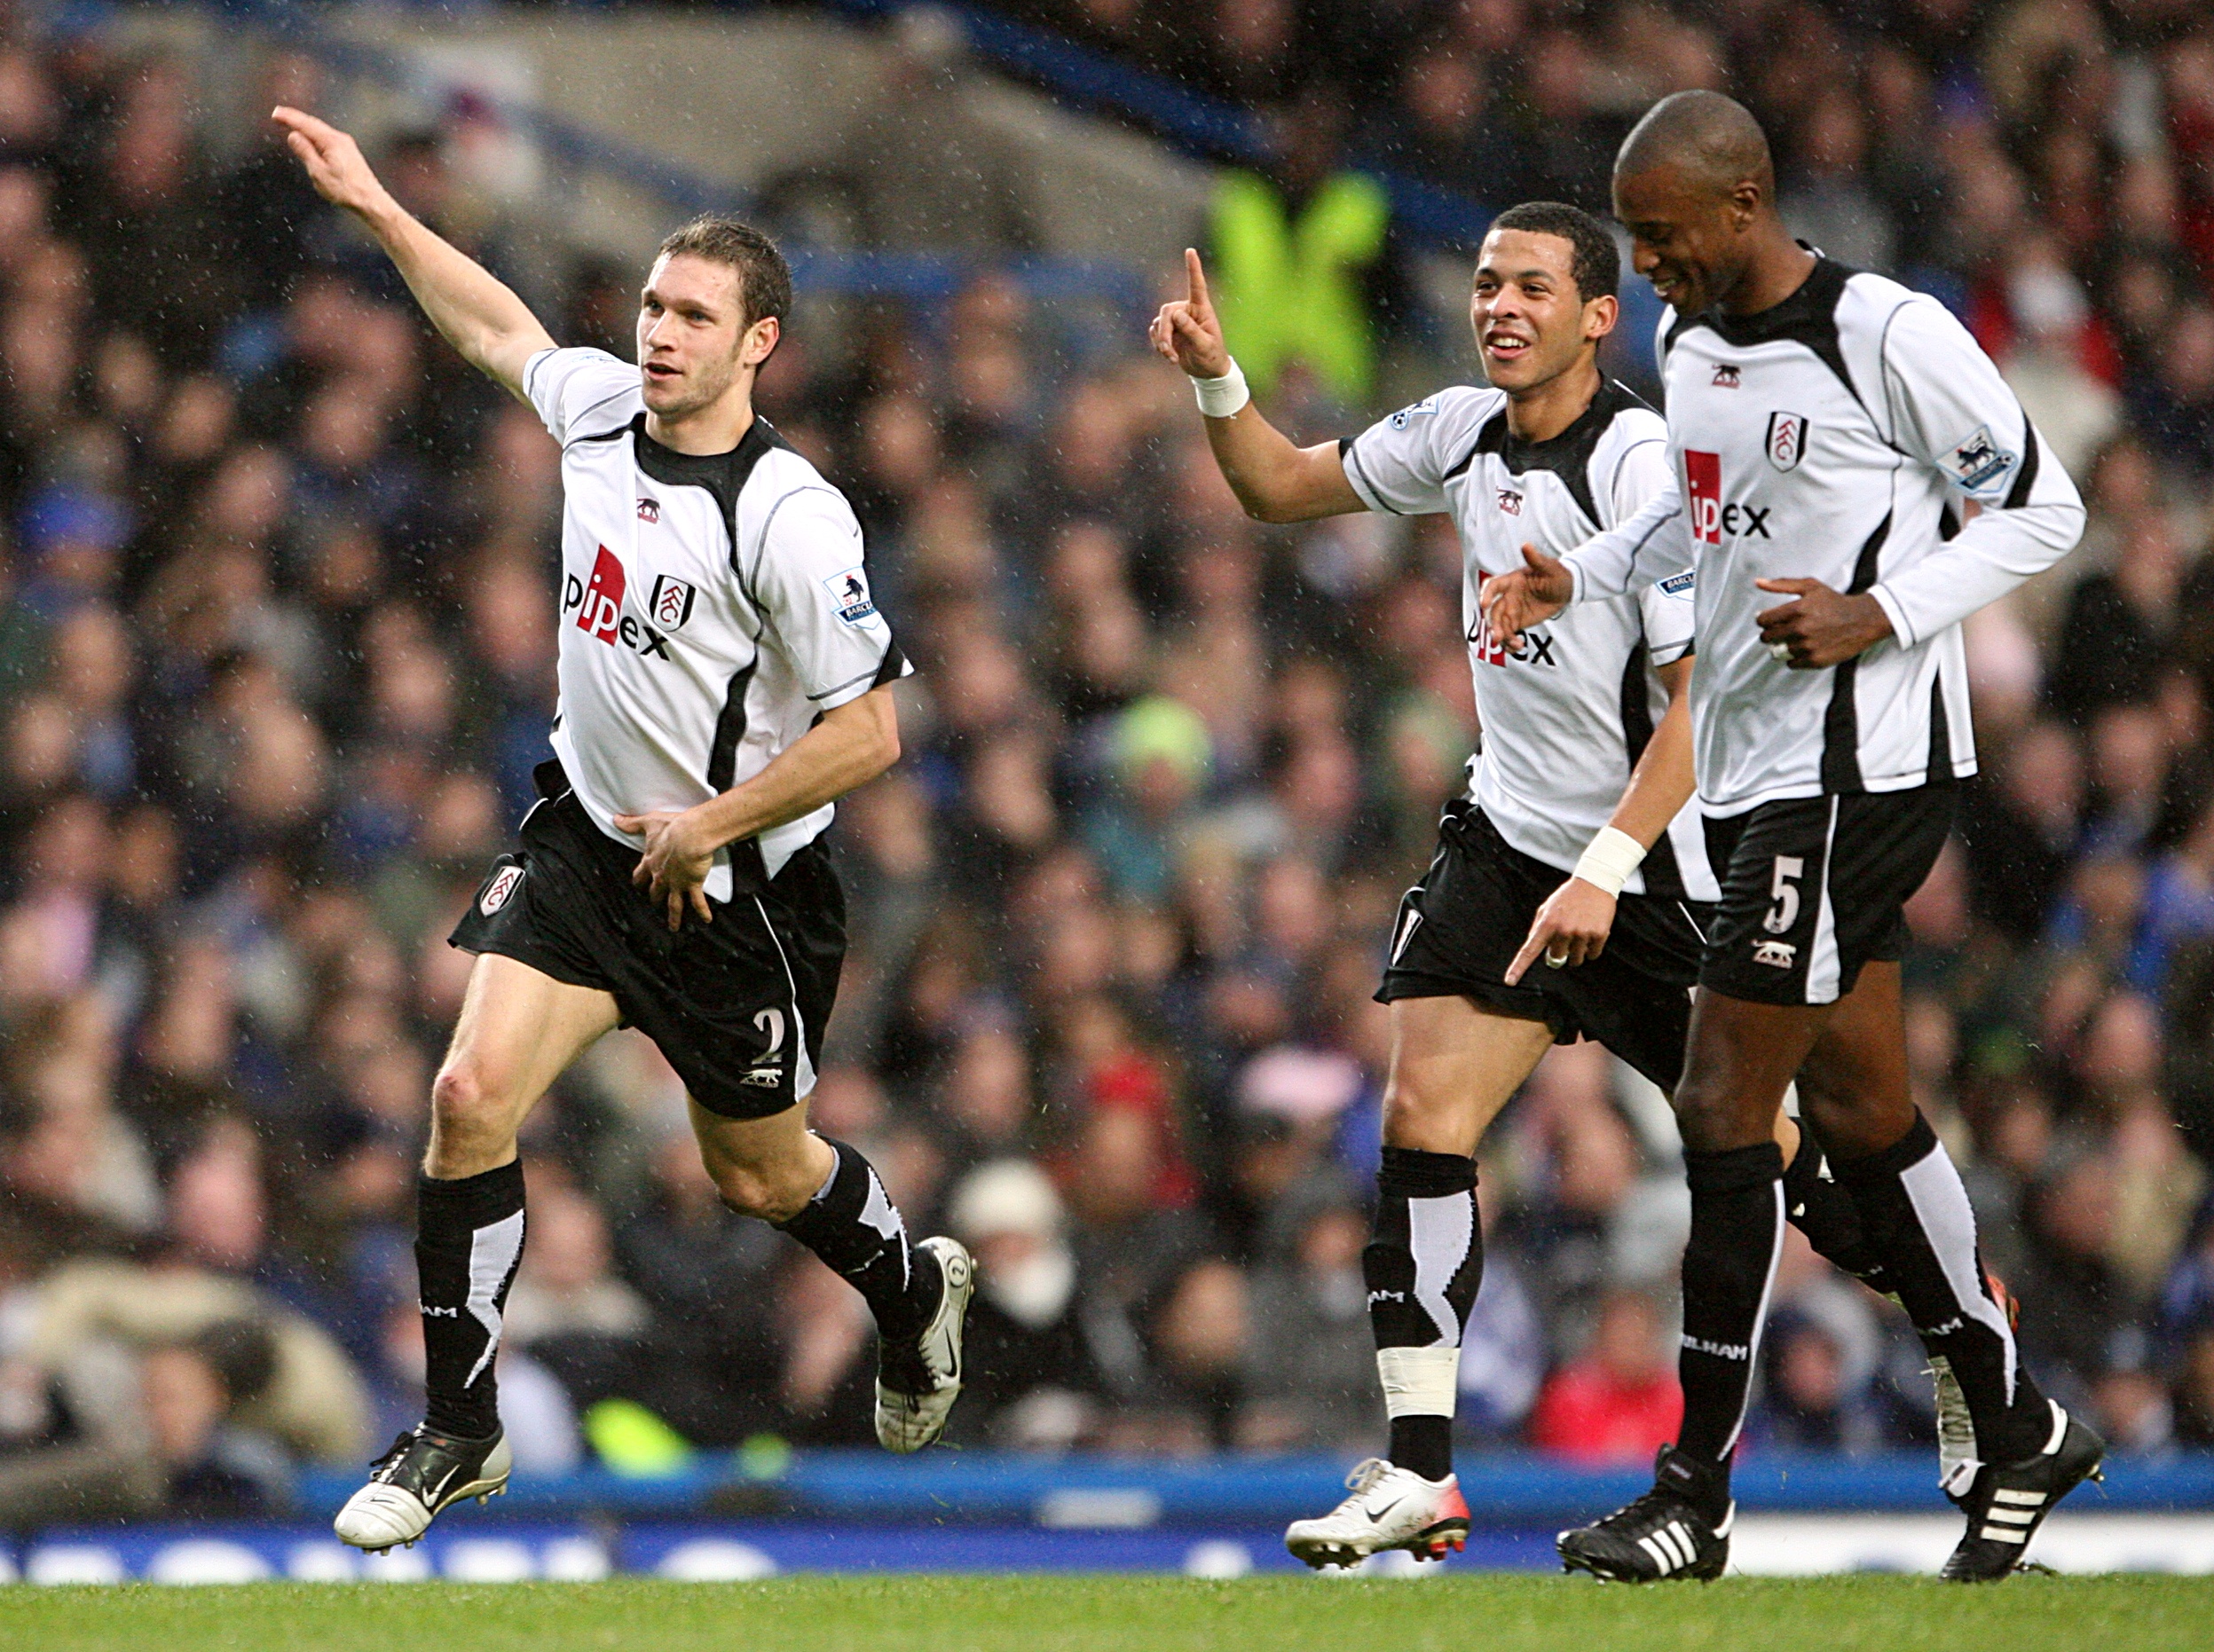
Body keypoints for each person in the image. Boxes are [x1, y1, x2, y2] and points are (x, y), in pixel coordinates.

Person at [270, 108, 974, 1554]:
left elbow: (873, 729)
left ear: (757, 343)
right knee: (469, 1094)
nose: (658, 333)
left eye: (693, 316)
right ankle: (462, 1429)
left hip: (738, 896)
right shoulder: (596, 409)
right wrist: (381, 211)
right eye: (654, 304)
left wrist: (708, 822)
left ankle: (912, 1288)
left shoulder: (791, 519)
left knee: (758, 1175)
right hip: (593, 848)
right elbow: (493, 327)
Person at [1149, 202, 1883, 1570]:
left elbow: (1700, 704)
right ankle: (1422, 1474)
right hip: (1509, 840)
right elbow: (1276, 485)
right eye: (1486, 282)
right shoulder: (1457, 433)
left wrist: (1608, 866)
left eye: (1531, 286)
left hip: (1653, 865)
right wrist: (1214, 375)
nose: (1498, 304)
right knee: (1422, 1108)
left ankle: (1965, 1331)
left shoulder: (1648, 465)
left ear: (1599, 316)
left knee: (1778, 1154)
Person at [1481, 90, 2102, 1584]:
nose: (1651, 265)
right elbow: (1708, 529)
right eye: (1633, 241)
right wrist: (1593, 570)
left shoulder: (1888, 333)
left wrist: (1881, 611)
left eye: (1666, 236)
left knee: (1717, 1099)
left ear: (1745, 202)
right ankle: (2021, 1421)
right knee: (1868, 1109)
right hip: (1761, 773)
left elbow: (2042, 509)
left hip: (1867, 770)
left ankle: (1693, 1488)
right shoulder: (1690, 347)